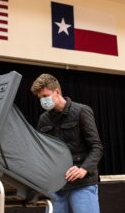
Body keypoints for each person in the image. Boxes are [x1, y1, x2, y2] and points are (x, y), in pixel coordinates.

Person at [31, 73, 103, 213]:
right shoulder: (43, 119)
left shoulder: (81, 111)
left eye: (45, 96)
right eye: (40, 98)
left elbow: (97, 147)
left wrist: (83, 169)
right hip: (56, 186)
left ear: (57, 92)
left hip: (82, 183)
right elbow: (44, 153)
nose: (43, 101)